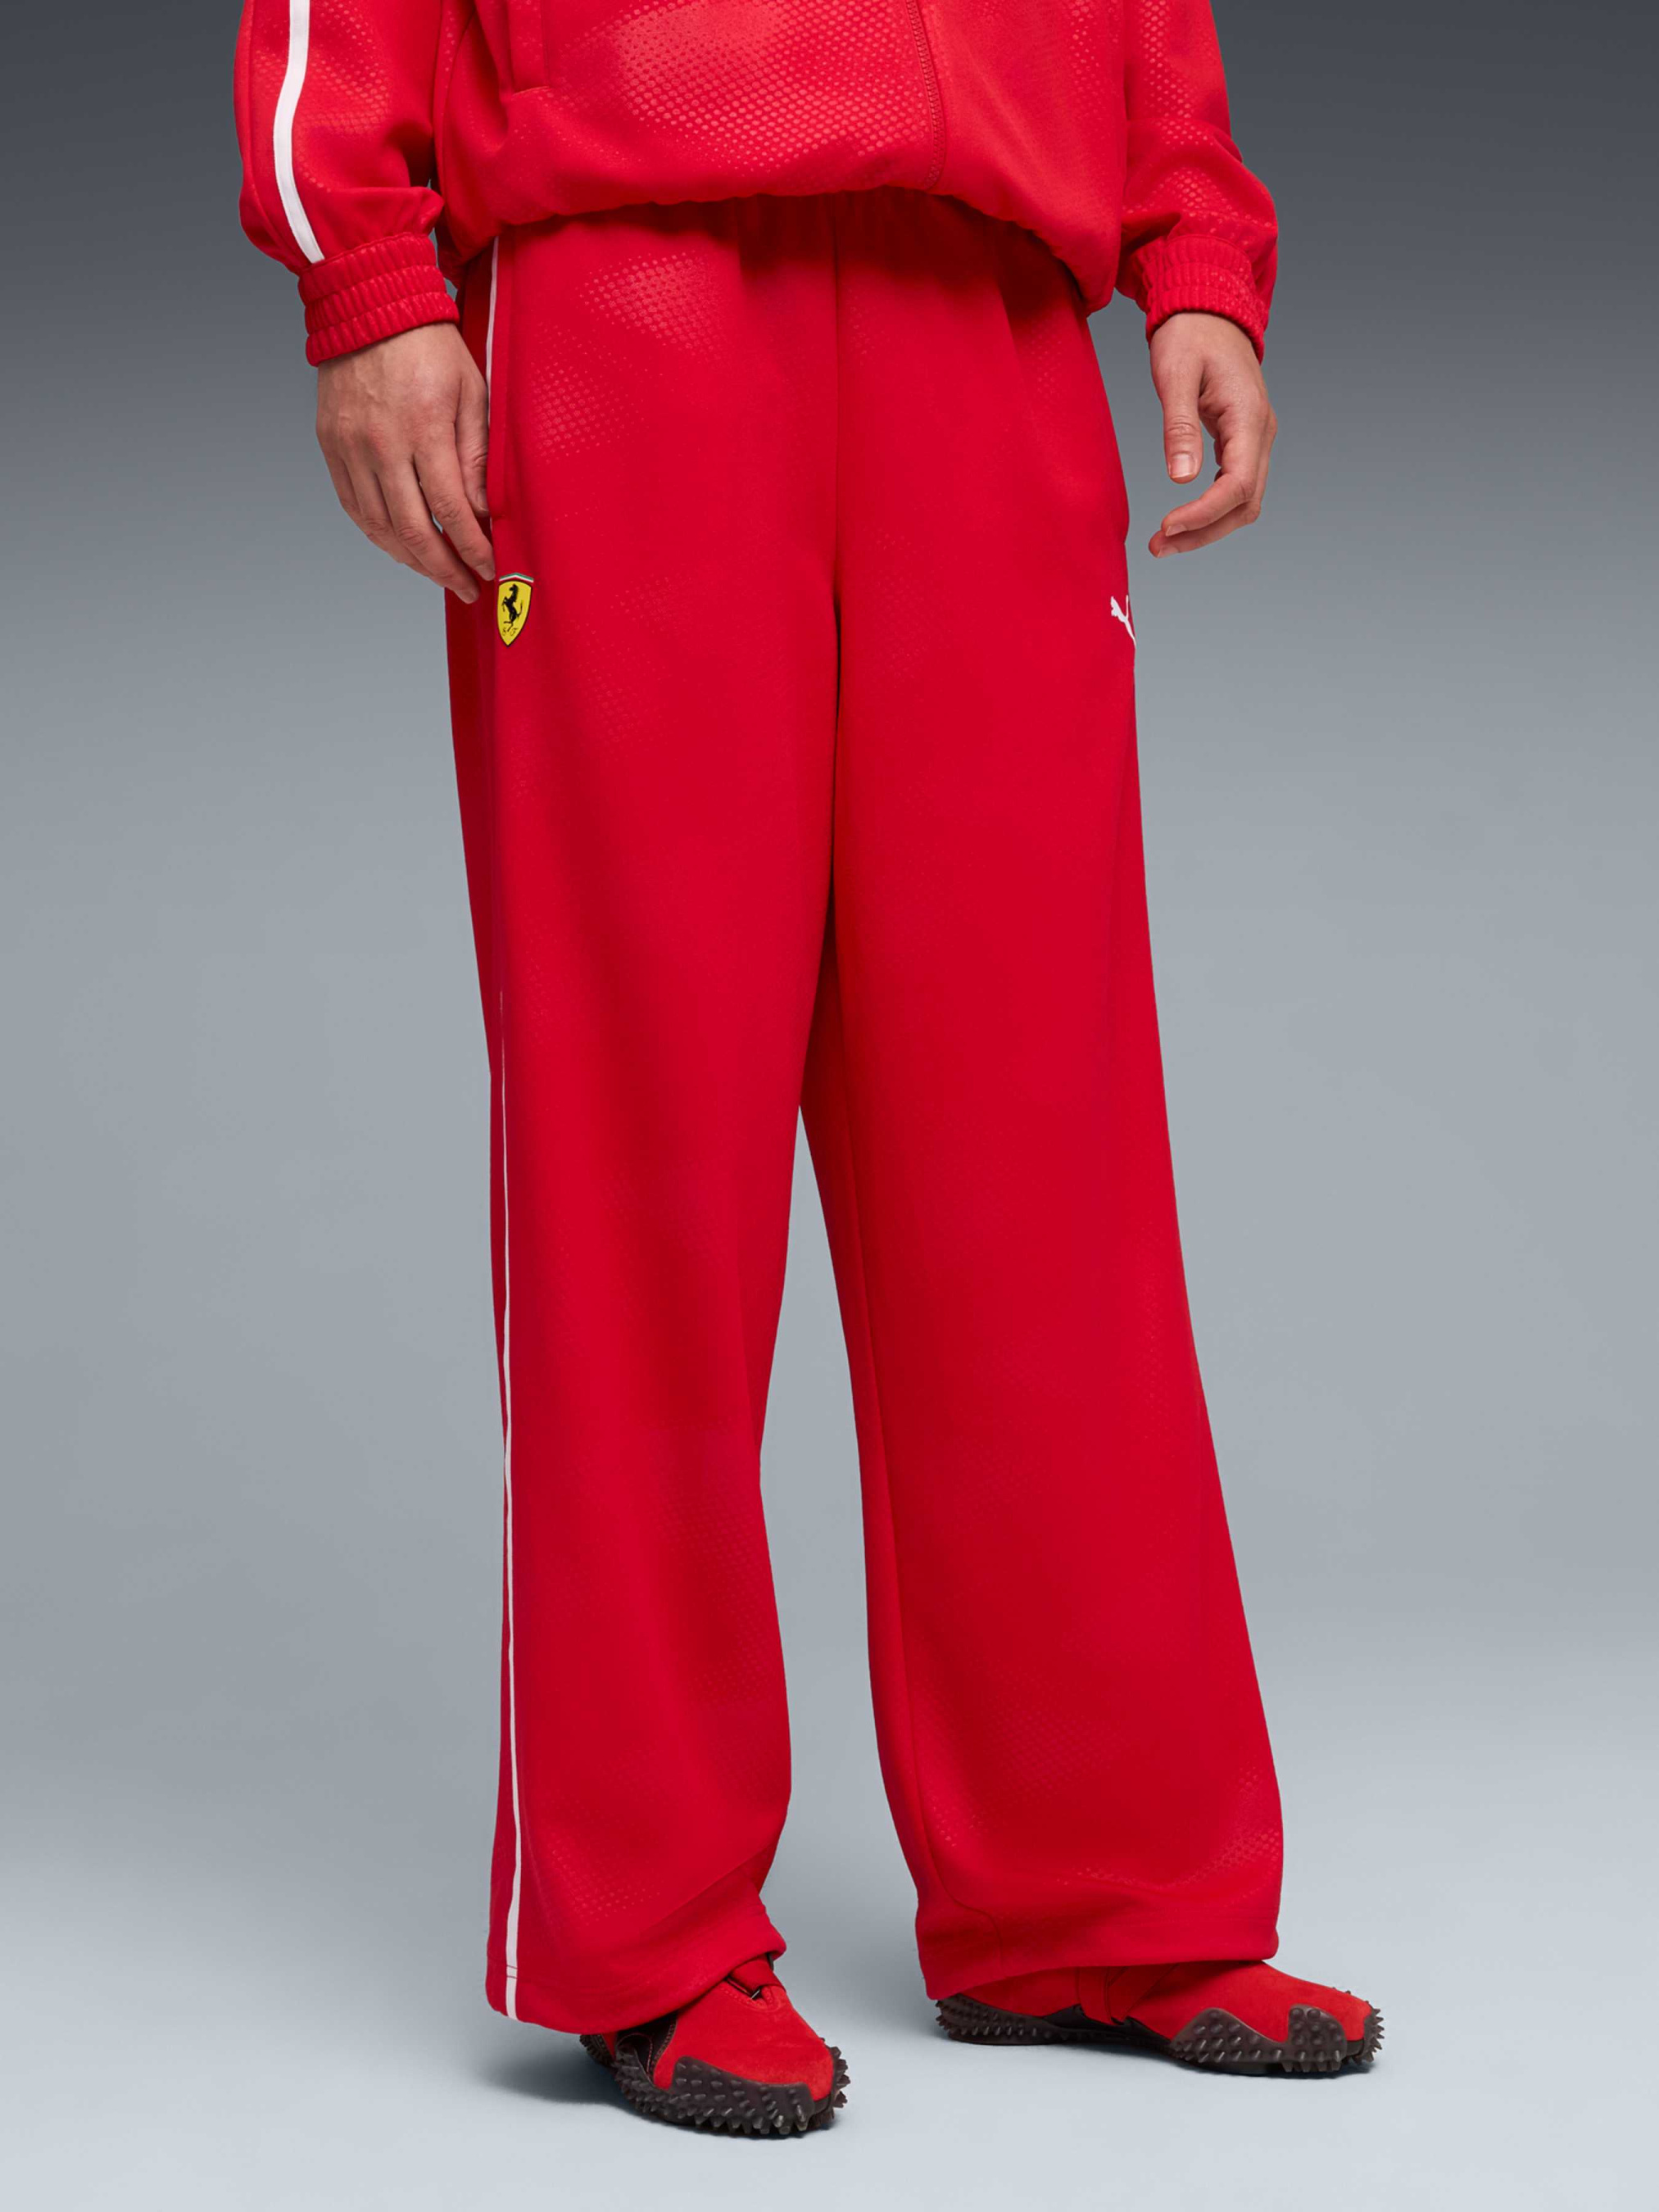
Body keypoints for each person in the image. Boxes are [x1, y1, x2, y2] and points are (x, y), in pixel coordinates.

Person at [235, 0, 1379, 2135]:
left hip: (987, 312)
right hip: (631, 291)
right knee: (643, 1150)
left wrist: (1194, 247)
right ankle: (644, 1927)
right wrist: (371, 283)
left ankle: (1098, 1892)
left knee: (1039, 1152)